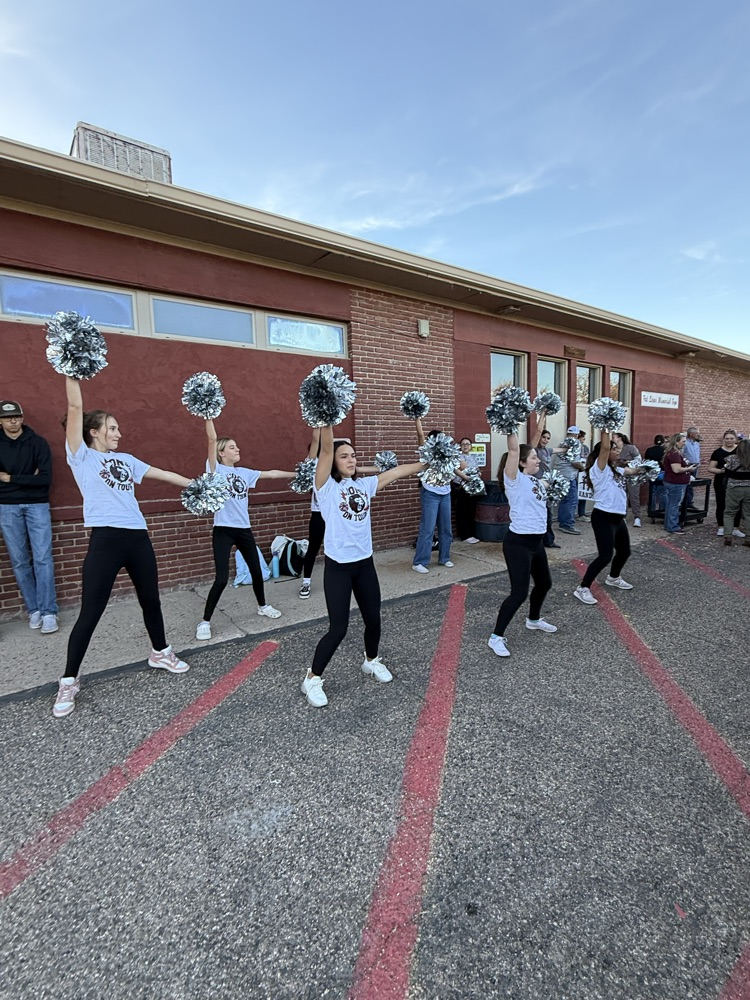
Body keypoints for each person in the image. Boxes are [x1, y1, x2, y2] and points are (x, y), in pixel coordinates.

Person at [55, 377, 195, 718]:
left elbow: (160, 472)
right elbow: (75, 407)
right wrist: (72, 372)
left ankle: (160, 651)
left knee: (151, 599)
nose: (118, 433)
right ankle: (69, 680)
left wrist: (196, 484)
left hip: (137, 537)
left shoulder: (127, 460)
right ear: (94, 431)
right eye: (112, 428)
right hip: (105, 539)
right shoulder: (81, 456)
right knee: (91, 611)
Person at [300, 426, 426, 707]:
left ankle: (371, 660)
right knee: (339, 628)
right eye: (345, 456)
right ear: (332, 461)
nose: (352, 460)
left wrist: (428, 462)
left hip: (364, 564)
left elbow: (396, 473)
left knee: (374, 618)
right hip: (339, 568)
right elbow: (326, 449)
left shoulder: (363, 485)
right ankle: (312, 677)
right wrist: (328, 418)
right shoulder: (325, 487)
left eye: (354, 456)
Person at [195, 419, 295, 638]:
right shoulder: (215, 470)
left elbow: (272, 473)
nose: (237, 449)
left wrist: (297, 475)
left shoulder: (244, 473)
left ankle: (262, 606)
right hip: (223, 529)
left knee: (257, 572)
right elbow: (211, 439)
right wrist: (208, 415)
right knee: (221, 578)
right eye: (232, 447)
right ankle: (205, 622)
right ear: (221, 453)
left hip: (244, 529)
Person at [488, 424, 556, 658]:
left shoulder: (535, 481)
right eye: (534, 458)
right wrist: (510, 422)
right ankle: (496, 637)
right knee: (519, 593)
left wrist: (542, 417)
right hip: (518, 543)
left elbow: (531, 445)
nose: (538, 460)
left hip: (536, 543)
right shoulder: (514, 480)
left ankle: (534, 620)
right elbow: (515, 449)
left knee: (545, 583)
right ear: (521, 463)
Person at [0, 400, 59, 633]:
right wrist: (28, 478)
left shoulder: (38, 443)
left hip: (37, 506)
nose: (12, 420)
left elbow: (44, 479)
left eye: (16, 416)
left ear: (22, 418)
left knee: (43, 558)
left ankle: (49, 612)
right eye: (7, 417)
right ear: (0, 421)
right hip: (6, 507)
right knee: (19, 560)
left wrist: (9, 479)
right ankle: (34, 609)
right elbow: (35, 479)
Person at [574, 432, 641, 605]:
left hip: (618, 518)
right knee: (605, 556)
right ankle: (583, 588)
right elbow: (604, 447)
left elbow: (632, 471)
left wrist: (647, 468)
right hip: (603, 516)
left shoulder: (616, 469)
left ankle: (613, 577)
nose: (618, 451)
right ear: (604, 453)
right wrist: (606, 427)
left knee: (625, 551)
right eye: (614, 449)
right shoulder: (599, 468)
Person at [412, 418, 464, 572]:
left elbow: (456, 469)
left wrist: (469, 479)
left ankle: (444, 558)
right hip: (430, 493)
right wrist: (417, 418)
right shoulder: (427, 454)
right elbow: (420, 435)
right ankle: (420, 562)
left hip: (445, 493)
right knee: (428, 528)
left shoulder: (446, 455)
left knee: (446, 528)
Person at [708, 430, 745, 539]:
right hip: (721, 481)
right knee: (721, 503)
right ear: (723, 439)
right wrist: (721, 471)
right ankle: (721, 526)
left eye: (731, 438)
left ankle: (735, 528)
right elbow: (711, 468)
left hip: (738, 481)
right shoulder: (717, 452)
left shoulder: (740, 451)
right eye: (727, 438)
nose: (729, 440)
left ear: (736, 439)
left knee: (738, 504)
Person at [661, 432, 698, 536]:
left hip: (673, 481)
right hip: (676, 483)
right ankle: (673, 526)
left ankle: (668, 525)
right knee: (674, 505)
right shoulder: (674, 454)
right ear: (677, 442)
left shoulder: (672, 453)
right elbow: (676, 469)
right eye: (683, 441)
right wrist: (689, 469)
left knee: (671, 504)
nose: (685, 443)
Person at [530, 419, 559, 549]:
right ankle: (538, 540)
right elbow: (537, 432)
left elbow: (561, 450)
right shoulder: (534, 449)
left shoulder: (548, 451)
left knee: (548, 513)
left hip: (547, 486)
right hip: (535, 486)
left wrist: (573, 445)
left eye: (548, 438)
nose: (546, 440)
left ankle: (548, 540)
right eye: (544, 437)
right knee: (537, 513)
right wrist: (543, 414)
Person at [551, 425, 585, 534]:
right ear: (577, 434)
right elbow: (575, 462)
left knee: (564, 500)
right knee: (571, 500)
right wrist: (584, 467)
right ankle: (567, 524)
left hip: (559, 474)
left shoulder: (563, 443)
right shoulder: (576, 443)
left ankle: (563, 522)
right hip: (569, 475)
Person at [722, 439, 750, 545]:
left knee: (729, 512)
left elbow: (726, 470)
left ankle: (728, 536)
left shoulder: (731, 458)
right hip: (749, 488)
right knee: (748, 514)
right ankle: (749, 538)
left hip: (734, 488)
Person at [453, 437, 481, 544]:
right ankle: (465, 535)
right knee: (462, 511)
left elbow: (477, 470)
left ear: (471, 446)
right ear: (460, 446)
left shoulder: (473, 457)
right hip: (461, 487)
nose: (465, 446)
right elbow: (462, 470)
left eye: (467, 444)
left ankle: (471, 533)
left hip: (472, 488)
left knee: (471, 510)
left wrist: (478, 474)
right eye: (463, 444)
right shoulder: (458, 457)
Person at [613, 432, 642, 527]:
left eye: (614, 437)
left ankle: (637, 517)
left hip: (632, 475)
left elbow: (638, 459)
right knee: (622, 497)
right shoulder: (613, 449)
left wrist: (629, 462)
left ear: (620, 438)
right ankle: (622, 516)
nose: (612, 439)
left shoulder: (630, 448)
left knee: (634, 496)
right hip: (620, 476)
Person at [644, 435, 667, 512]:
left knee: (652, 492)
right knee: (663, 492)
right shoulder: (665, 450)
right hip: (662, 472)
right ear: (663, 442)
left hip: (651, 472)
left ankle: (651, 510)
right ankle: (662, 510)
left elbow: (645, 461)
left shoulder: (649, 450)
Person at [683, 426, 702, 509]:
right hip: (688, 466)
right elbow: (682, 454)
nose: (698, 435)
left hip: (696, 465)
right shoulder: (685, 443)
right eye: (697, 433)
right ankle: (684, 502)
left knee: (692, 484)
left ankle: (689, 502)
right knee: (686, 484)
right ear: (691, 434)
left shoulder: (697, 443)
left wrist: (699, 462)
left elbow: (697, 454)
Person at [576, 430, 591, 522]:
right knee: (574, 494)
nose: (583, 439)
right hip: (575, 471)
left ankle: (582, 513)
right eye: (581, 436)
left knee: (583, 492)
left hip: (584, 472)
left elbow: (588, 458)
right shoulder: (573, 447)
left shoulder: (585, 448)